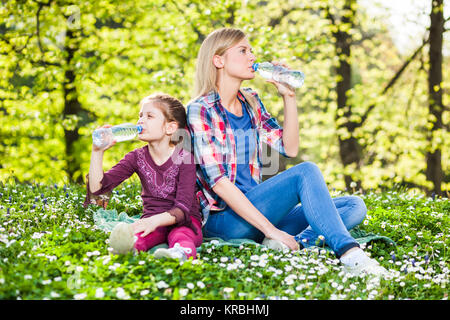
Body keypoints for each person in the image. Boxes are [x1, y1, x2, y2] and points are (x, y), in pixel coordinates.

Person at [186, 28, 387, 276]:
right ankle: (351, 255)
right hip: (226, 220)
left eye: (251, 50)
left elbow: (288, 148)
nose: (252, 57)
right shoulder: (200, 109)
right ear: (218, 60)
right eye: (243, 51)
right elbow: (219, 184)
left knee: (353, 206)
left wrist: (288, 96)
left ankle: (294, 244)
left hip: (259, 211)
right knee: (306, 172)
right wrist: (272, 229)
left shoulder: (250, 101)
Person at [84, 93, 202, 261]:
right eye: (140, 116)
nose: (140, 121)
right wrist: (97, 152)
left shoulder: (185, 158)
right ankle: (127, 252)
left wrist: (154, 221)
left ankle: (178, 255)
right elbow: (99, 189)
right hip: (151, 222)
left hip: (185, 222)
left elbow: (182, 208)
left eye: (149, 116)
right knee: (139, 238)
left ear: (170, 128)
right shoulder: (136, 157)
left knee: (182, 236)